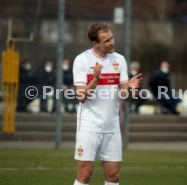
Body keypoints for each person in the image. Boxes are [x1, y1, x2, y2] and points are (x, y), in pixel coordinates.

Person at [72, 23, 142, 185]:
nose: (112, 42)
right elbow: (81, 97)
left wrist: (131, 89)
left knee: (113, 175)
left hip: (112, 126)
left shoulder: (119, 59)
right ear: (95, 43)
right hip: (89, 126)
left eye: (112, 38)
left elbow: (125, 95)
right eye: (107, 40)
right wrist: (96, 79)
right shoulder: (82, 60)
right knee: (85, 174)